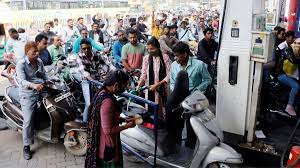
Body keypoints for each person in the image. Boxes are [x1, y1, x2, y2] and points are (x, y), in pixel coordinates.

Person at [85, 70, 135, 168]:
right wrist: (126, 126)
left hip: (103, 142)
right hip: (108, 146)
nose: (124, 89)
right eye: (123, 86)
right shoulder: (108, 102)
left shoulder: (103, 93)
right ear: (116, 85)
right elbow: (108, 130)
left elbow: (107, 118)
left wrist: (123, 120)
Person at [167, 42, 211, 149]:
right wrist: (176, 93)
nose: (175, 58)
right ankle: (176, 142)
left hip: (194, 99)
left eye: (177, 55)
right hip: (178, 99)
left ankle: (191, 145)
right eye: (174, 55)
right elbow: (172, 82)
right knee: (177, 122)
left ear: (185, 54)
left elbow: (207, 80)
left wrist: (196, 91)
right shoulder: (174, 65)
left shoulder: (199, 65)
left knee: (192, 123)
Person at [16, 41, 48, 160]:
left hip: (41, 90)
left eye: (37, 51)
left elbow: (44, 76)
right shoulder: (21, 64)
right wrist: (33, 85)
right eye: (34, 52)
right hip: (28, 94)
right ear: (27, 52)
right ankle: (26, 146)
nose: (37, 53)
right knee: (28, 120)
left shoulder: (39, 61)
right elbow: (22, 81)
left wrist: (51, 80)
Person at [137, 37, 171, 119]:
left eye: (152, 49)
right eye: (148, 49)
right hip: (150, 89)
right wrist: (139, 85)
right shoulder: (146, 59)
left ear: (158, 47)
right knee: (151, 110)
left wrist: (158, 84)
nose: (149, 51)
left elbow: (170, 74)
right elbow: (144, 74)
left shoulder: (165, 57)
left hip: (163, 90)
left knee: (163, 110)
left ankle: (164, 126)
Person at [77, 39, 106, 123]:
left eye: (88, 48)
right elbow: (84, 72)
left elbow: (106, 64)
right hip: (87, 81)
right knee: (89, 104)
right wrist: (93, 80)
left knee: (102, 101)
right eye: (84, 49)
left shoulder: (97, 54)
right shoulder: (79, 56)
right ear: (81, 49)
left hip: (97, 79)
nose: (86, 50)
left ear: (91, 47)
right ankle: (85, 124)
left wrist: (111, 73)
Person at [277, 31, 298, 116]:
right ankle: (289, 106)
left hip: (289, 73)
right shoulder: (283, 47)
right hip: (281, 73)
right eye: (293, 38)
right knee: (296, 86)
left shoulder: (291, 47)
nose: (293, 40)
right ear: (288, 37)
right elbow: (291, 60)